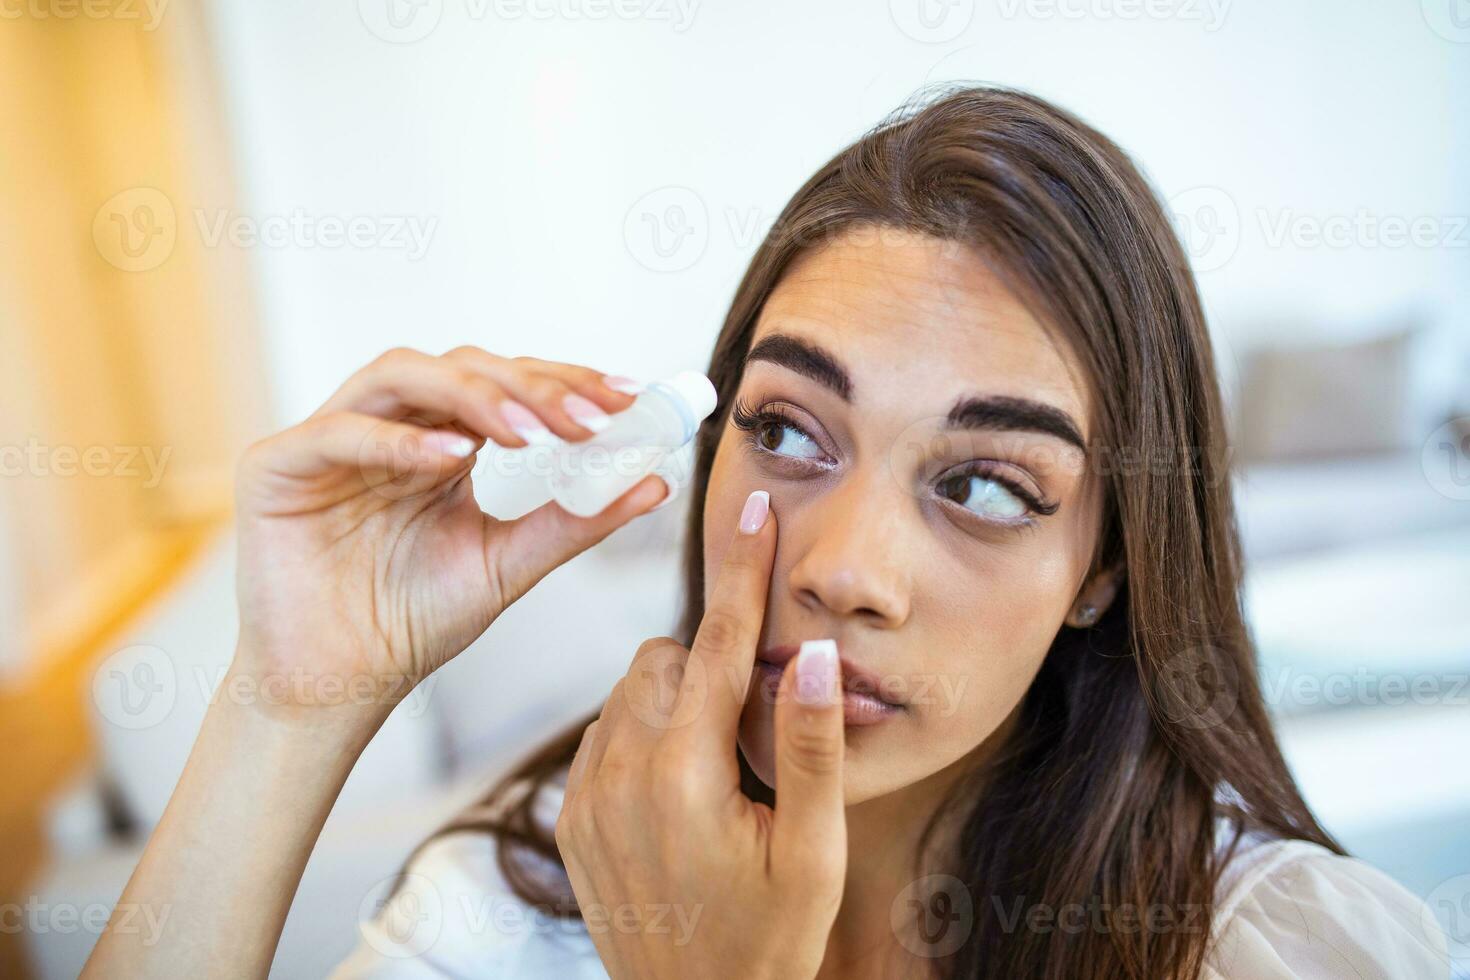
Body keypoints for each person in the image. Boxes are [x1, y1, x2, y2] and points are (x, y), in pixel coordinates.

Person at [84, 86, 1450, 979]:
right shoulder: (521, 906)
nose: (842, 570)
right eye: (790, 433)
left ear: (1101, 569)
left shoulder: (1281, 951)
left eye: (983, 486)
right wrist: (288, 702)